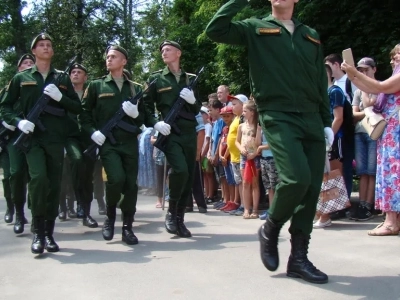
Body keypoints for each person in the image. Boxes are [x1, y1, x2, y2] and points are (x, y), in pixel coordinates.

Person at [206, 0, 333, 284]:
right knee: (296, 178)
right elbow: (215, 30)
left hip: (311, 116)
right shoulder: (255, 27)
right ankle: (271, 227)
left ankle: (299, 258)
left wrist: (326, 121)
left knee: (311, 187)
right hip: (278, 114)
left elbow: (317, 80)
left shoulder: (309, 34)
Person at [0, 33, 81, 254]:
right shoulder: (21, 78)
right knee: (39, 179)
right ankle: (37, 231)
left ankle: (49, 233)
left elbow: (77, 107)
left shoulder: (62, 79)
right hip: (33, 139)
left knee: (54, 184)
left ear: (52, 52)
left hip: (55, 139)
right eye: (41, 45)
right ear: (34, 51)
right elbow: (4, 107)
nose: (45, 48)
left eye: (49, 45)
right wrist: (19, 122)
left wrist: (60, 98)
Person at [79, 45, 158, 245]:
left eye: (113, 56)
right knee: (116, 179)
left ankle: (127, 227)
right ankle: (111, 216)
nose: (109, 59)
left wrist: (135, 114)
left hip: (129, 142)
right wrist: (93, 132)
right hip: (108, 143)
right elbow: (84, 113)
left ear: (123, 61)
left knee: (130, 185)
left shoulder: (135, 88)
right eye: (107, 56)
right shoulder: (97, 86)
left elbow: (144, 118)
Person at [143, 40, 201, 238]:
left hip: (188, 132)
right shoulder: (156, 79)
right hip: (169, 132)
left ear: (178, 53)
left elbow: (196, 108)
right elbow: (146, 106)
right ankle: (171, 212)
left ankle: (179, 218)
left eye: (168, 50)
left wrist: (193, 101)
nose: (163, 53)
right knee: (180, 170)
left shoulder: (190, 79)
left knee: (188, 174)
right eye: (162, 51)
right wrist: (155, 123)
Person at [341, 45, 400, 236]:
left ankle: (391, 223)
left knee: (393, 175)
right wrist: (353, 76)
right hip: (390, 132)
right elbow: (371, 89)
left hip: (395, 132)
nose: (392, 61)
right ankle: (392, 220)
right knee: (389, 174)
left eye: (396, 57)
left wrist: (354, 74)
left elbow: (380, 87)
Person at [1, 53, 34, 227]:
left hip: (35, 137)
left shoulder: (40, 88)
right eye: (24, 63)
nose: (28, 65)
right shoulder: (8, 89)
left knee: (35, 176)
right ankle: (16, 212)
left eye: (31, 62)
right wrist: (9, 122)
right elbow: (3, 110)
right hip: (14, 138)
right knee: (15, 174)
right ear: (18, 68)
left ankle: (35, 214)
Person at [314, 64, 346, 228]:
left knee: (329, 177)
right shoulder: (320, 93)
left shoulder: (334, 91)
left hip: (333, 140)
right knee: (320, 177)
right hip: (320, 140)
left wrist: (328, 139)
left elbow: (338, 117)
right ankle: (320, 213)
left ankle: (326, 215)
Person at [351, 58, 378, 221]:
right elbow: (354, 114)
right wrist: (367, 111)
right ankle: (361, 204)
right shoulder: (357, 91)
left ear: (374, 69)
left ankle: (369, 205)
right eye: (360, 71)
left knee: (372, 170)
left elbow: (367, 105)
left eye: (366, 70)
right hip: (360, 132)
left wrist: (365, 90)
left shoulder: (380, 87)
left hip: (375, 132)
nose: (363, 73)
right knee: (362, 172)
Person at [235, 100, 261, 219]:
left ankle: (255, 209)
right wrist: (241, 149)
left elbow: (258, 142)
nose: (243, 112)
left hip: (254, 155)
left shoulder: (257, 126)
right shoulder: (241, 126)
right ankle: (246, 209)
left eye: (245, 110)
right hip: (244, 155)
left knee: (255, 183)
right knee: (245, 182)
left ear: (252, 112)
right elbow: (237, 141)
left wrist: (255, 153)